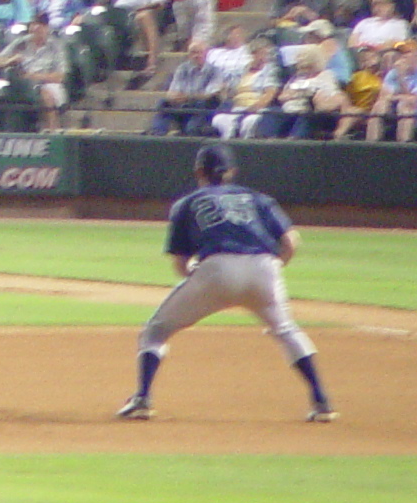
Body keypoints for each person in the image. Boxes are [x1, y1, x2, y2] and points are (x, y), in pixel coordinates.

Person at [117, 144, 334, 423]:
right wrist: (273, 267)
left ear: (198, 172)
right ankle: (321, 401)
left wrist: (205, 282)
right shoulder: (259, 198)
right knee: (285, 329)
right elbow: (291, 242)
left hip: (216, 269)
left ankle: (142, 399)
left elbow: (181, 265)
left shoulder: (187, 203)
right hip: (264, 267)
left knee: (155, 331)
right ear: (232, 172)